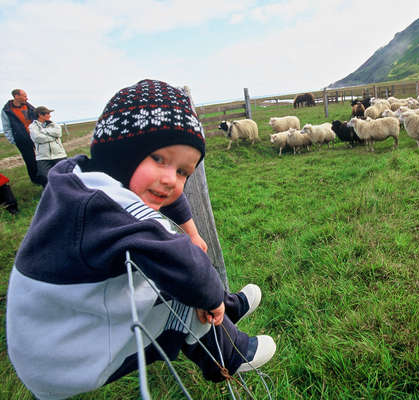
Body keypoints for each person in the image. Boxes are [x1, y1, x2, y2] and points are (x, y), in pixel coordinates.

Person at [6, 79, 276, 400]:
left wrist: (192, 231)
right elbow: (181, 259)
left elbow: (159, 191)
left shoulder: (82, 179)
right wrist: (209, 293)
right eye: (159, 159)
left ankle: (227, 309)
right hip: (66, 358)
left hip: (49, 335)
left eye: (183, 173)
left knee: (172, 282)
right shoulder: (108, 207)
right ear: (122, 153)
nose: (170, 179)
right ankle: (228, 353)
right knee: (178, 289)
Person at [1, 89, 42, 185]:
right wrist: (14, 140)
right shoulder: (6, 110)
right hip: (21, 139)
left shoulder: (29, 106)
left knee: (43, 156)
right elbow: (6, 127)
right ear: (16, 96)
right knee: (30, 160)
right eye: (24, 96)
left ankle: (46, 175)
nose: (26, 98)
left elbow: (38, 118)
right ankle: (36, 180)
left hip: (36, 136)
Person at [29, 106, 68, 187]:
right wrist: (52, 137)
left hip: (59, 155)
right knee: (46, 178)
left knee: (64, 175)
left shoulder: (54, 125)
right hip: (43, 157)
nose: (50, 115)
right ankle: (51, 195)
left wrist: (43, 131)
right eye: (47, 113)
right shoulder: (32, 126)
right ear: (40, 115)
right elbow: (37, 138)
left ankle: (67, 193)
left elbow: (58, 133)